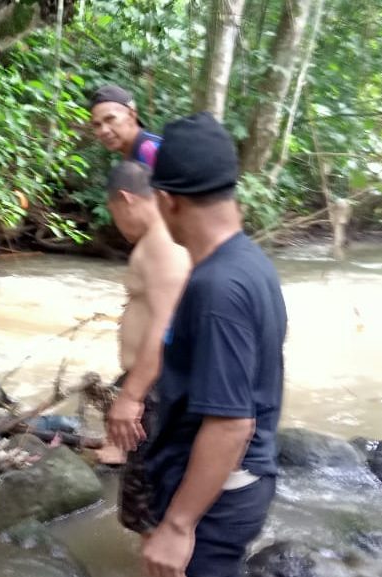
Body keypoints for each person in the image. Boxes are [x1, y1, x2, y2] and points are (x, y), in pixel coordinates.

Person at [134, 112, 288, 577]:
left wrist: (179, 525)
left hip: (217, 496)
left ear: (167, 200)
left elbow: (230, 425)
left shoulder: (216, 287)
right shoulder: (250, 261)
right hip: (233, 486)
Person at [102, 160, 191, 514]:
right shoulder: (166, 238)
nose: (116, 224)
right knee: (150, 502)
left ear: (126, 199)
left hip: (156, 390)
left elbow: (165, 326)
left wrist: (132, 397)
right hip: (156, 387)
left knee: (150, 509)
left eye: (114, 212)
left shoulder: (160, 244)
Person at [89, 84, 163, 169]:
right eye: (97, 125)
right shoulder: (130, 154)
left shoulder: (151, 150)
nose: (104, 130)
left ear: (131, 115)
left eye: (110, 119)